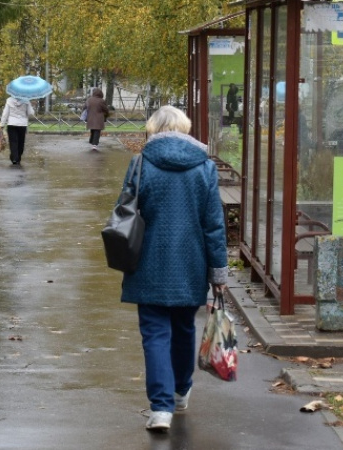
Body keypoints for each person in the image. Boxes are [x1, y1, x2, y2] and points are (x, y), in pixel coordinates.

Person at [116, 105, 228, 432]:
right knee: (183, 329)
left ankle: (160, 408)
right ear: (185, 128)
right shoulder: (204, 168)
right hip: (191, 265)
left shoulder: (140, 165)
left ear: (154, 128)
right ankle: (181, 391)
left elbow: (124, 211)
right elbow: (213, 225)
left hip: (148, 264)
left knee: (154, 334)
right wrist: (218, 273)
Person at [0, 96, 36, 165]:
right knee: (21, 142)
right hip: (22, 124)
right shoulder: (26, 100)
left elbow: (5, 114)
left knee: (13, 142)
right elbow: (30, 113)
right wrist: (30, 105)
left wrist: (2, 125)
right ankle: (18, 157)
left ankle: (14, 158)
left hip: (12, 124)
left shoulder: (9, 100)